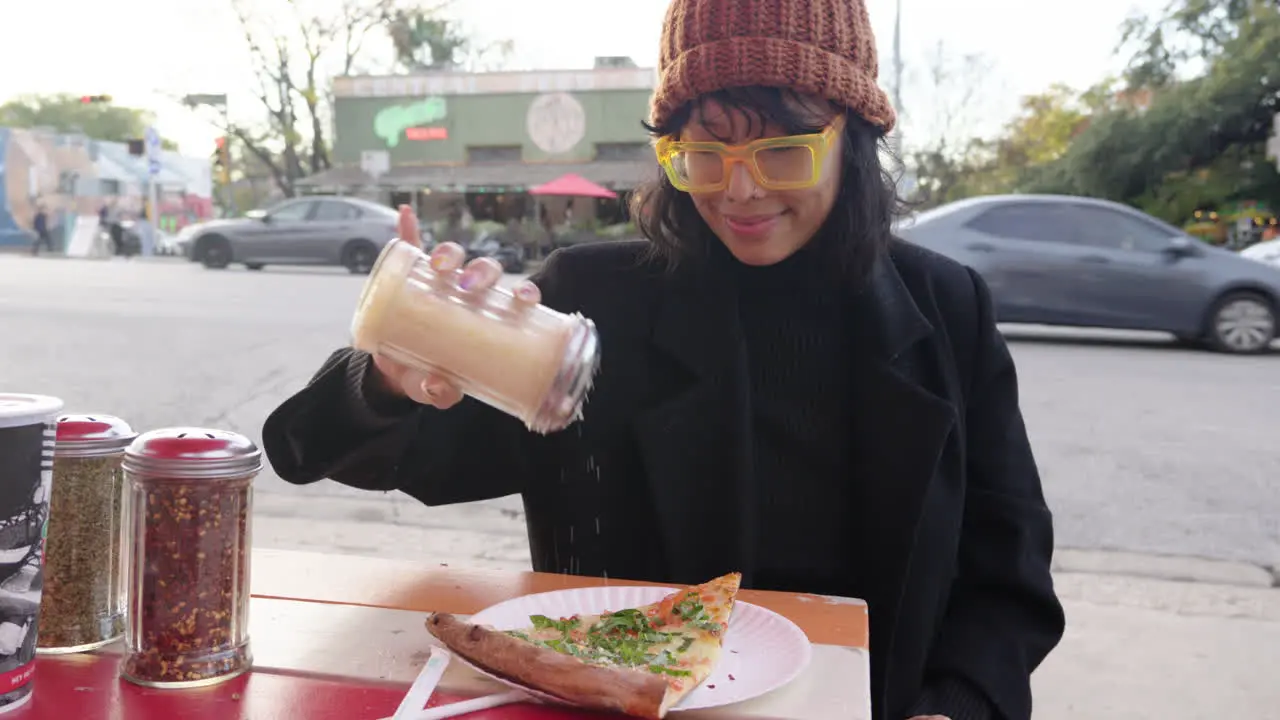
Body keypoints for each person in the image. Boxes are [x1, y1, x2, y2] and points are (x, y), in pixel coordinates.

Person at [261, 1, 1064, 718]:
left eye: (783, 154)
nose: (740, 192)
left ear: (855, 140)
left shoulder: (946, 311)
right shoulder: (596, 299)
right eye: (704, 155)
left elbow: (1008, 576)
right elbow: (352, 453)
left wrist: (955, 707)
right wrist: (399, 378)